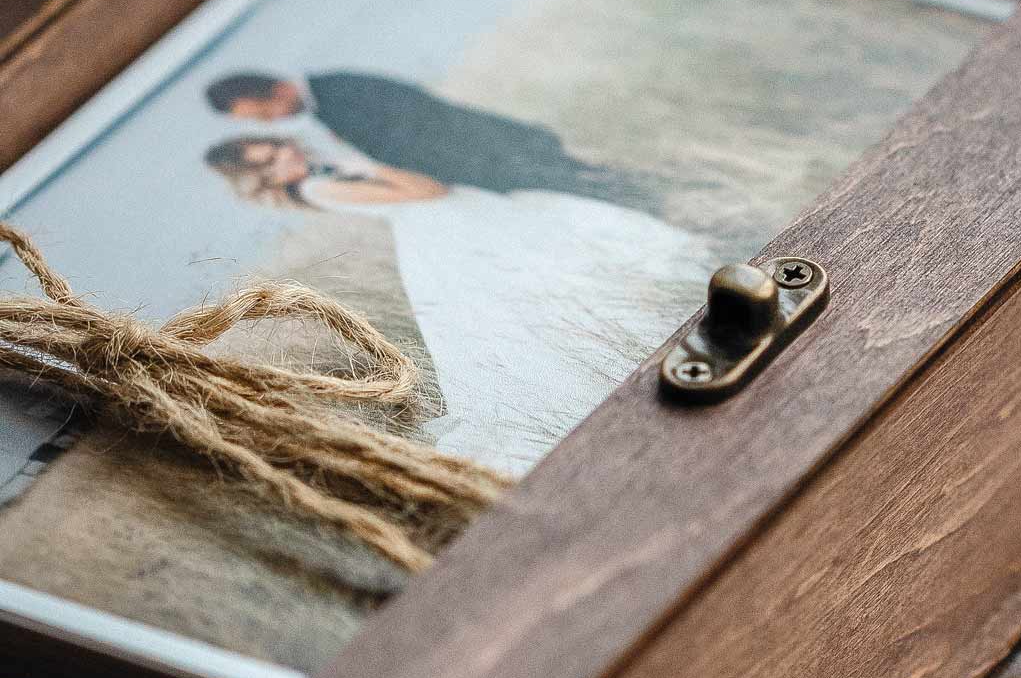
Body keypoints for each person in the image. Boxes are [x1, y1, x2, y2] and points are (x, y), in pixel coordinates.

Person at [204, 136, 712, 475]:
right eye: (271, 159)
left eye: (277, 145)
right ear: (266, 178)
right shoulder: (318, 184)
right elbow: (428, 191)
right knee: (528, 299)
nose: (286, 152)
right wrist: (368, 165)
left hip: (465, 223)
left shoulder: (320, 174)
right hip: (449, 233)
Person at [204, 69, 658, 211]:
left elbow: (421, 117)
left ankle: (651, 195)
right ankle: (649, 195)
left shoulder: (336, 91)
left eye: (264, 113)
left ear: (275, 90)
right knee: (578, 188)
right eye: (260, 122)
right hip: (473, 161)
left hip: (481, 151)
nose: (270, 123)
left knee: (582, 182)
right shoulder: (321, 111)